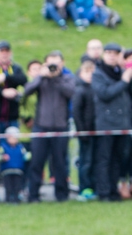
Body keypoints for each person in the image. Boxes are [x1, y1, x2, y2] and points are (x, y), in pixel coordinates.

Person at [22, 51, 75, 202]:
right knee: (37, 162)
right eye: (50, 63)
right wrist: (41, 76)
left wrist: (56, 78)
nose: (53, 66)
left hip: (60, 127)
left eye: (56, 63)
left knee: (59, 162)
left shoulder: (67, 78)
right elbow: (27, 91)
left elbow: (71, 92)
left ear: (62, 63)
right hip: (41, 126)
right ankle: (33, 195)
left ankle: (62, 194)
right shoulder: (40, 80)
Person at [91, 43, 132, 201]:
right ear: (103, 54)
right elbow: (104, 94)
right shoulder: (98, 74)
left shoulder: (121, 72)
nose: (111, 56)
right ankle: (104, 192)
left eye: (115, 53)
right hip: (106, 124)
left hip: (122, 123)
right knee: (104, 159)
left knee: (117, 159)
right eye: (108, 53)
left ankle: (113, 190)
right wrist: (123, 82)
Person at [73, 58, 97, 200]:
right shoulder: (80, 90)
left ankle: (93, 186)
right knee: (86, 161)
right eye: (86, 72)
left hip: (96, 130)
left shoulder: (96, 89)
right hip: (85, 132)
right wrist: (82, 131)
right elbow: (76, 113)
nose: (89, 75)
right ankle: (84, 188)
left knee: (94, 160)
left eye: (92, 72)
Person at [0, 128, 28, 203]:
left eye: (15, 137)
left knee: (17, 186)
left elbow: (26, 156)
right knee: (8, 186)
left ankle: (16, 199)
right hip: (7, 171)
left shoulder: (21, 147)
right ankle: (8, 199)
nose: (14, 139)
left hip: (18, 170)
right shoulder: (3, 147)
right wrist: (2, 157)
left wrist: (28, 156)